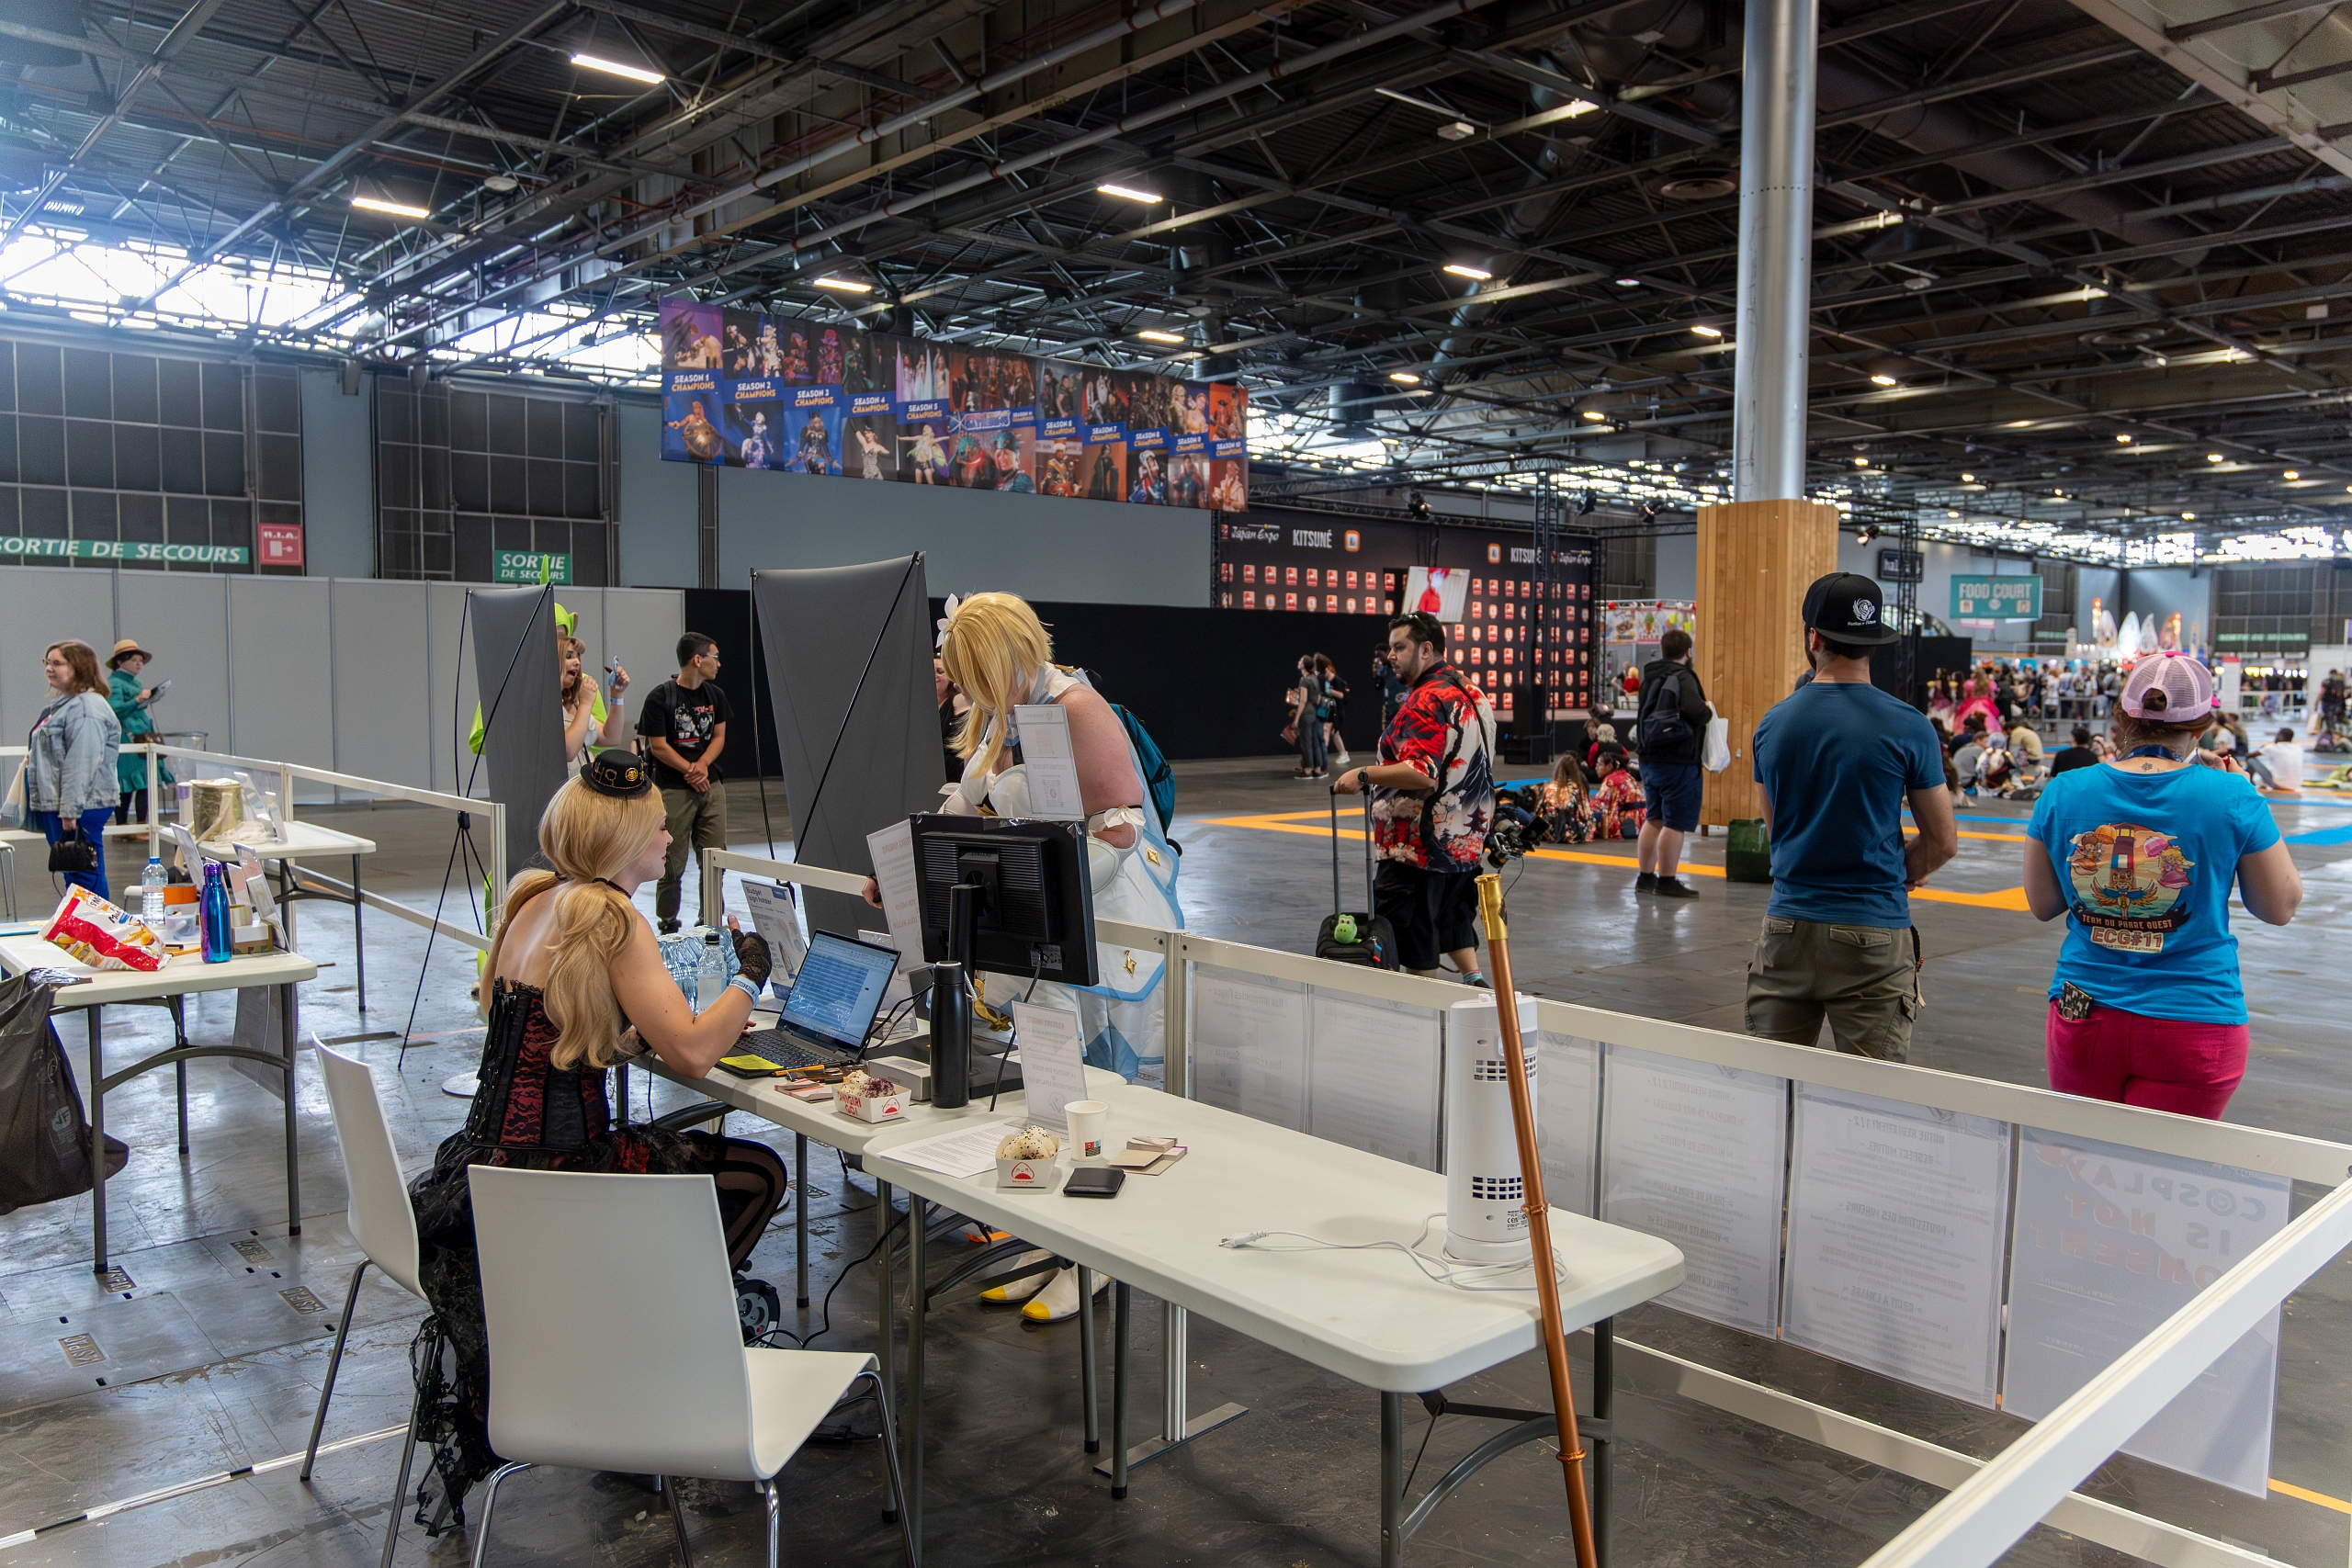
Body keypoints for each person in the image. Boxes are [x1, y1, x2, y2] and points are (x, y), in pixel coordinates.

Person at [405, 752, 785, 1510]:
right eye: (656, 829)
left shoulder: (533, 896)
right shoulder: (611, 917)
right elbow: (695, 1050)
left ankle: (641, 1336)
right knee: (758, 1176)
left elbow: (563, 1031)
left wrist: (639, 1027)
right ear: (622, 842)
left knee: (698, 1175)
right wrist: (750, 975)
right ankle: (654, 1350)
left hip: (484, 1173)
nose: (669, 839)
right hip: (562, 1180)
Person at [917, 592, 1183, 1323]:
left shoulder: (1077, 707)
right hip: (1045, 934)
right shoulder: (1004, 712)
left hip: (1107, 936)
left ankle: (1094, 1253)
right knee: (1051, 1088)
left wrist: (1039, 884)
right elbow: (971, 810)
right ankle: (1053, 1238)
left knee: (1099, 1098)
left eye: (975, 671)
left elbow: (1121, 831)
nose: (967, 690)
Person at [2024, 653, 2301, 1118]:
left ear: (2123, 716)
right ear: (2201, 728)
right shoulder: (2232, 795)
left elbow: (2043, 904)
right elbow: (2279, 906)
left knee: (2081, 1169)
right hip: (2193, 1015)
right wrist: (2246, 798)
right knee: (2164, 1180)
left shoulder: (2063, 790)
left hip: (2082, 1007)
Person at [1747, 574, 1959, 1061]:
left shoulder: (1774, 723)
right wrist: (1896, 870)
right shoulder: (1909, 725)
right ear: (1873, 640)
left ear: (1814, 638)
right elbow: (1943, 841)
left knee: (1772, 1092)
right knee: (1869, 1105)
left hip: (1786, 927)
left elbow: (1777, 832)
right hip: (1872, 932)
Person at [1332, 611, 1497, 986]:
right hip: (1465, 842)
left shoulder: (1426, 699)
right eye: (1390, 647)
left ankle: (1424, 1019)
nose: (1391, 655)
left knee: (1415, 938)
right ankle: (1474, 983)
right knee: (1451, 918)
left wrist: (1363, 775)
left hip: (1417, 849)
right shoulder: (1471, 692)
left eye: (1399, 647)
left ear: (1426, 649)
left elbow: (1421, 771)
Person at [637, 633, 732, 934]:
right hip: (673, 788)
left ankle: (710, 923)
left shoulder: (715, 695)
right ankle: (668, 924)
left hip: (711, 787)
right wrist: (690, 770)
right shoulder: (660, 697)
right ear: (697, 659)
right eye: (714, 656)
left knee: (714, 859)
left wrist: (702, 767)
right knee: (671, 862)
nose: (718, 663)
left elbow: (718, 736)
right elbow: (658, 746)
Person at [28, 641, 121, 901]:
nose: (49, 669)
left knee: (84, 875)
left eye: (57, 663)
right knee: (76, 872)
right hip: (66, 804)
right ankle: (83, 933)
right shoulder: (69, 704)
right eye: (47, 662)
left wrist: (70, 810)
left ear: (79, 667)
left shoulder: (86, 707)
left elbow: (81, 763)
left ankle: (94, 935)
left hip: (79, 805)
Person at [1633, 626, 1709, 898]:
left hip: (1649, 758)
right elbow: (1697, 712)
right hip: (1678, 759)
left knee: (1654, 818)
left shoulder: (1650, 677)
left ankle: (1644, 877)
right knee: (1674, 821)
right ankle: (1667, 880)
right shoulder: (1683, 676)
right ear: (1688, 652)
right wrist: (1708, 710)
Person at [106, 638, 170, 826]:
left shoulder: (132, 682)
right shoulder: (115, 682)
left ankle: (134, 826)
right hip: (128, 738)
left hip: (139, 737)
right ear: (120, 661)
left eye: (141, 660)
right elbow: (113, 709)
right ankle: (128, 826)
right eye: (134, 659)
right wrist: (137, 700)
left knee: (142, 782)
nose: (139, 663)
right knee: (131, 783)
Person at [559, 636, 629, 773]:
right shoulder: (546, 707)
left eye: (578, 656)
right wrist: (586, 703)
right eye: (569, 656)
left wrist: (617, 695)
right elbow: (568, 751)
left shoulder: (574, 706)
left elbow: (611, 737)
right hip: (561, 792)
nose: (577, 662)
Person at [1538, 754, 1595, 843]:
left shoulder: (1549, 788)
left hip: (1552, 831)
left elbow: (1540, 812)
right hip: (1574, 832)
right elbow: (1585, 813)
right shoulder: (1578, 788)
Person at [1289, 656, 1328, 779]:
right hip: (1316, 712)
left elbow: (1303, 700)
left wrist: (1296, 718)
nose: (1298, 662)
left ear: (1304, 665)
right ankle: (1317, 769)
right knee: (1315, 740)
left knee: (1306, 741)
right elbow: (1317, 697)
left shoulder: (1304, 680)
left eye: (1300, 661)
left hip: (1307, 712)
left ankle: (1307, 770)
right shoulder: (1314, 678)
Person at [1317, 654, 1351, 768]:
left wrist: (1329, 691)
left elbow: (1342, 695)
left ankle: (1323, 754)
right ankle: (1343, 753)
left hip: (1336, 710)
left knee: (1329, 730)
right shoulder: (1323, 679)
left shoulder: (1337, 680)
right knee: (1333, 733)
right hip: (1325, 708)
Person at [2250, 726, 2304, 793]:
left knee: (2251, 760)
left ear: (2280, 736)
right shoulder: (2299, 748)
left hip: (2279, 785)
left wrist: (2275, 741)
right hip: (2296, 785)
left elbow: (2250, 755)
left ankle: (2248, 781)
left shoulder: (2273, 747)